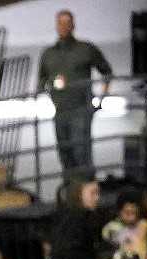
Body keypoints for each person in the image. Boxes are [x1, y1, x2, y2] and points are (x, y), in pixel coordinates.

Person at [37, 9, 112, 180]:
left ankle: (87, 194)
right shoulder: (48, 54)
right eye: (60, 23)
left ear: (73, 25)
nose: (64, 26)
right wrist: (50, 90)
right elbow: (41, 82)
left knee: (81, 153)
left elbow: (107, 72)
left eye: (67, 23)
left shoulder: (85, 49)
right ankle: (71, 195)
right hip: (60, 110)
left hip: (81, 109)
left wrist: (102, 99)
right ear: (56, 26)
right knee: (65, 154)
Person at [49, 179, 107, 259]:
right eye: (93, 193)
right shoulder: (75, 218)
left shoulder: (70, 216)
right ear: (79, 193)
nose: (97, 198)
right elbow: (70, 251)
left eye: (98, 193)